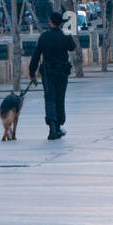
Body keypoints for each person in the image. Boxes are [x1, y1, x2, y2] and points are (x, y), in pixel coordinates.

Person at [30, 10, 76, 139]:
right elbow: (72, 47)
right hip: (62, 72)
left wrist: (32, 73)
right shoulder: (65, 35)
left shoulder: (44, 37)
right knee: (60, 98)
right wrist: (68, 31)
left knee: (50, 98)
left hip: (48, 72)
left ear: (50, 22)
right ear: (61, 23)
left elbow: (36, 55)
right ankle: (58, 125)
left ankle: (52, 127)